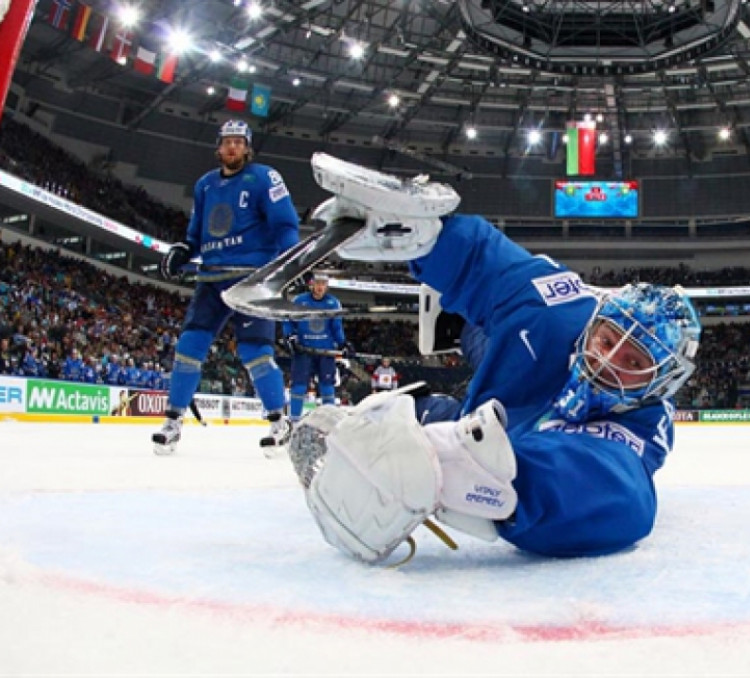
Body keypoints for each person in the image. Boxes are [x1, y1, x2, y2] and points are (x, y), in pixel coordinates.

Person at [281, 153, 702, 565]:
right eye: (608, 339)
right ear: (596, 322)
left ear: (660, 383)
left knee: (424, 418)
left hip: (494, 423)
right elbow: (499, 266)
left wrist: (476, 474)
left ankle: (414, 428)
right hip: (506, 357)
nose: (608, 359)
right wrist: (429, 237)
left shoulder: (645, 424)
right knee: (481, 335)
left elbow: (615, 488)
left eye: (632, 362)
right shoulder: (561, 310)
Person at [153, 119, 300, 456]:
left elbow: (285, 225)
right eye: (226, 142)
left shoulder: (265, 177)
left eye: (238, 142)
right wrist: (182, 250)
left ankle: (280, 423)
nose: (232, 147)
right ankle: (172, 423)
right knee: (189, 347)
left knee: (255, 353)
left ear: (247, 148)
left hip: (252, 279)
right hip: (211, 279)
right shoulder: (205, 185)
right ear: (218, 147)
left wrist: (293, 263)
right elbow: (194, 237)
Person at [281, 273, 348, 423]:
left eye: (323, 283)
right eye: (317, 283)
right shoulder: (300, 301)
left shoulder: (333, 303)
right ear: (311, 284)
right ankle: (294, 421)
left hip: (325, 352)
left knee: (327, 388)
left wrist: (343, 343)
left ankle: (329, 423)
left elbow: (337, 327)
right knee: (298, 387)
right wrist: (290, 336)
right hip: (303, 351)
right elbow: (288, 320)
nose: (320, 287)